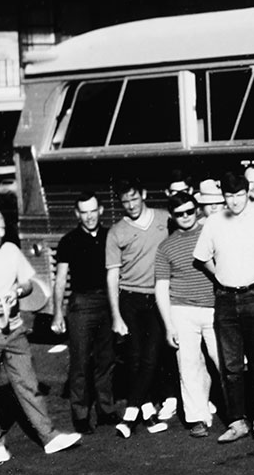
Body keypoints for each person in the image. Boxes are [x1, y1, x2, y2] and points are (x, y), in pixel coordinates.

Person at [0, 206, 83, 465]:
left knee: (29, 384)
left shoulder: (11, 250)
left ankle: (48, 436)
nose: (2, 232)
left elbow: (27, 283)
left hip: (14, 330)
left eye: (4, 227)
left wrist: (17, 290)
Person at [192, 172, 254, 443]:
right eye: (229, 196)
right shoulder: (214, 222)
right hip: (226, 299)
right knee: (231, 366)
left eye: (239, 195)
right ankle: (236, 421)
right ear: (224, 197)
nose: (234, 201)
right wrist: (219, 275)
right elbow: (201, 257)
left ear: (247, 193)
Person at [106, 178, 171, 438]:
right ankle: (147, 412)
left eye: (134, 198)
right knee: (134, 358)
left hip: (157, 298)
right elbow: (113, 275)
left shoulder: (165, 218)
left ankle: (131, 413)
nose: (131, 205)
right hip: (130, 299)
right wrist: (116, 316)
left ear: (143, 194)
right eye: (125, 201)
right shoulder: (116, 232)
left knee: (151, 357)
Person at [154, 192, 220, 438]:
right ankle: (196, 417)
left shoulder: (210, 233)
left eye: (190, 211)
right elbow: (161, 286)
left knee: (223, 360)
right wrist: (168, 325)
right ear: (172, 216)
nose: (185, 217)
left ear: (197, 210)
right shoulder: (166, 246)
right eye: (180, 213)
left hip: (214, 308)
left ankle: (237, 412)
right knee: (189, 365)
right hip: (182, 310)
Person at [51, 192, 116, 433]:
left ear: (100, 211)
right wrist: (58, 313)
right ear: (77, 214)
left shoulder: (111, 236)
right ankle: (80, 414)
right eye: (84, 212)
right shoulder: (69, 241)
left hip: (107, 301)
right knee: (80, 361)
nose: (89, 217)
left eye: (93, 211)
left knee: (106, 359)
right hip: (81, 303)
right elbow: (60, 280)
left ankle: (106, 410)